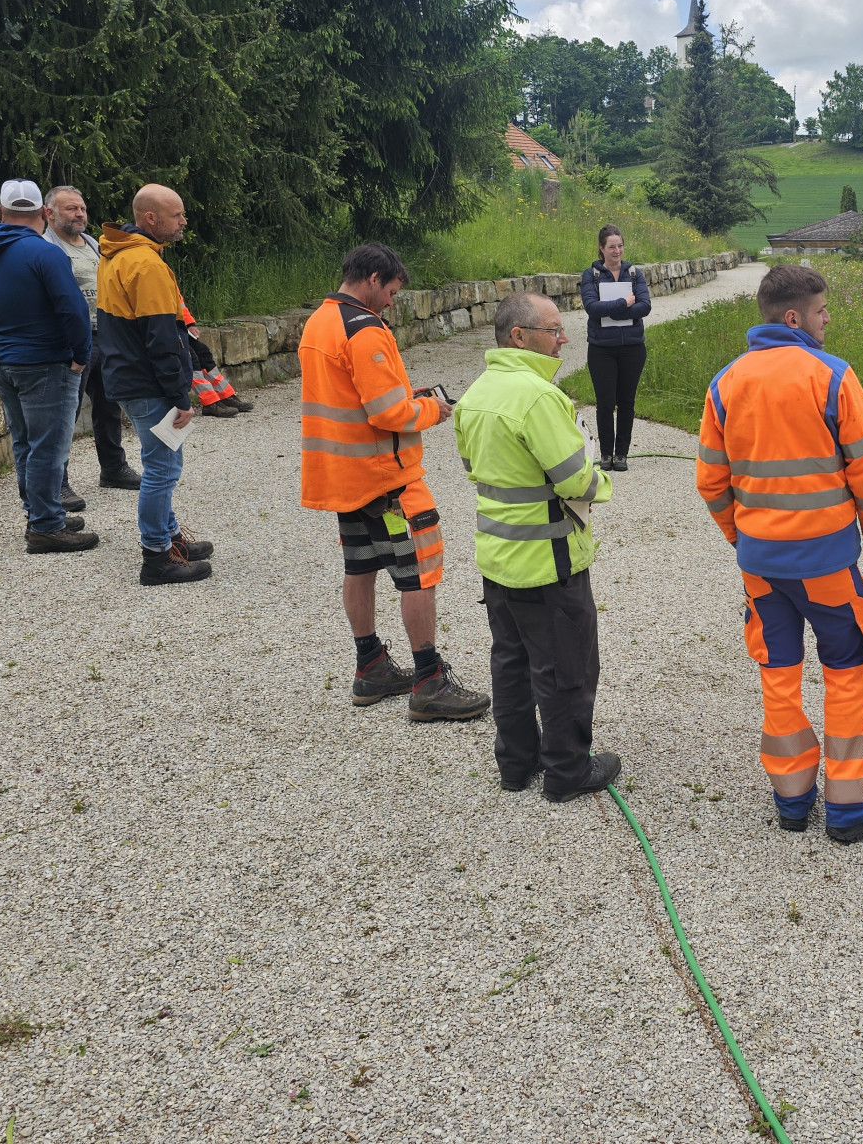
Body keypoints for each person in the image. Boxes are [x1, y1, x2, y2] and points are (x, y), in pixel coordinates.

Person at [696, 263, 863, 844]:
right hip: (828, 566)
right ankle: (849, 809)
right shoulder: (833, 377)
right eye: (821, 311)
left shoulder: (725, 383)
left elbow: (711, 483)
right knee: (845, 670)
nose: (827, 320)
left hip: (762, 570)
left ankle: (791, 800)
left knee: (779, 675)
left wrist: (742, 539)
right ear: (794, 318)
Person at [299, 244, 489, 721]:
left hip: (346, 478)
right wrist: (431, 408)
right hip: (389, 481)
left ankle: (370, 666)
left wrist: (408, 394)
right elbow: (388, 413)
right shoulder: (366, 330)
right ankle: (429, 680)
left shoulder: (319, 322)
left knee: (359, 567)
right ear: (373, 278)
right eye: (391, 292)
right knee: (418, 575)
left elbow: (355, 398)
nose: (391, 303)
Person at [456, 293, 619, 799]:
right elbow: (575, 481)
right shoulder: (539, 396)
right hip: (549, 562)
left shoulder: (474, 395)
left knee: (510, 662)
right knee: (566, 666)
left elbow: (476, 470)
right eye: (554, 330)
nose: (564, 338)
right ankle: (568, 772)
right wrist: (601, 485)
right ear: (519, 336)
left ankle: (516, 765)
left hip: (498, 557)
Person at [0, 179, 98, 554]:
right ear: (43, 213)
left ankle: (40, 511)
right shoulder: (45, 254)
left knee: (24, 443)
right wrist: (81, 354)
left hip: (3, 359)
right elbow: (72, 309)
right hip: (45, 361)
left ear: (0, 211)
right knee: (49, 447)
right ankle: (46, 528)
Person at [96, 184, 216, 585]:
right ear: (151, 218)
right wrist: (177, 394)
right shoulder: (145, 264)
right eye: (177, 215)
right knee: (162, 469)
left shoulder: (117, 254)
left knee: (159, 464)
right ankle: (157, 557)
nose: (184, 222)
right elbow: (160, 335)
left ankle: (170, 539)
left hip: (127, 376)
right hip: (147, 382)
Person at [41, 185, 142, 496]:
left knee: (110, 405)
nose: (80, 214)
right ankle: (58, 483)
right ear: (49, 213)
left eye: (81, 208)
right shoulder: (45, 248)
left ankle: (113, 468)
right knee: (64, 413)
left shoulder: (93, 245)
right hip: (71, 340)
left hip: (107, 334)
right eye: (71, 209)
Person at [578, 223, 652, 471]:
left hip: (633, 347)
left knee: (627, 403)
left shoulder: (634, 274)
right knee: (605, 403)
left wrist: (614, 312)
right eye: (612, 247)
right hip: (602, 349)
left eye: (620, 246)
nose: (617, 251)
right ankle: (606, 454)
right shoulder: (592, 276)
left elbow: (644, 306)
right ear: (601, 248)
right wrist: (623, 304)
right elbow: (592, 308)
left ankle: (622, 454)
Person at [178, 298, 254, 418]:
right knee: (190, 357)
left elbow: (179, 302)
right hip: (166, 329)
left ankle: (225, 396)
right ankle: (210, 403)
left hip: (177, 327)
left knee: (203, 352)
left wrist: (190, 324)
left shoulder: (169, 279)